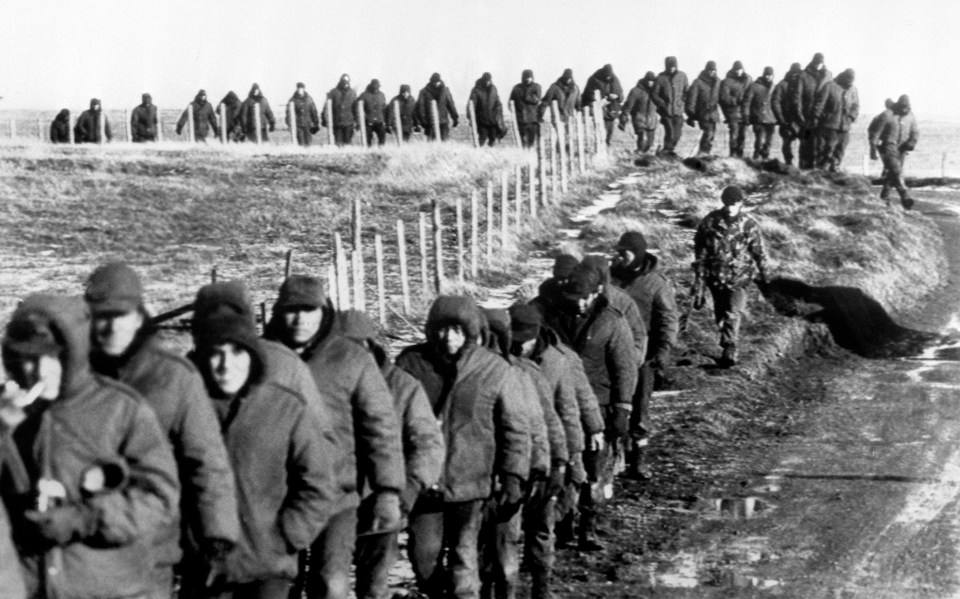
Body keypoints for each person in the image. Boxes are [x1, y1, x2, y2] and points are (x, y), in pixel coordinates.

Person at [0, 294, 179, 599]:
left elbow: (159, 496)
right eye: (27, 358)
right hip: (34, 586)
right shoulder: (9, 414)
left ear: (74, 353)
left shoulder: (121, 409)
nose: (38, 372)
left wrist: (81, 518)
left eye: (52, 357)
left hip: (111, 588)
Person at [82, 263, 240, 599]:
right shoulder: (74, 377)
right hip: (83, 549)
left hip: (152, 551)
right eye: (101, 316)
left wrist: (217, 536)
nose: (109, 327)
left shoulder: (174, 378)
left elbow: (207, 461)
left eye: (119, 316)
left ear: (139, 317)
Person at [264, 276, 404, 599]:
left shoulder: (351, 358)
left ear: (323, 310)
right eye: (291, 310)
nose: (300, 319)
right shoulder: (261, 356)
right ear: (277, 312)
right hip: (276, 496)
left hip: (336, 493)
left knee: (332, 584)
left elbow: (380, 426)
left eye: (308, 309)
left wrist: (388, 490)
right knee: (279, 584)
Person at [189, 304, 336, 599]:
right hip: (205, 567)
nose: (225, 365)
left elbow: (318, 483)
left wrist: (287, 535)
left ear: (253, 357)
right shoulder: (187, 408)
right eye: (215, 353)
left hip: (267, 566)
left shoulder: (286, 408)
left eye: (236, 353)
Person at [395, 296, 530, 599]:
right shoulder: (411, 364)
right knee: (423, 557)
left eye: (457, 330)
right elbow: (391, 420)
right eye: (442, 329)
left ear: (471, 332)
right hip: (424, 484)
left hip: (471, 482)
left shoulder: (493, 369)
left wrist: (513, 474)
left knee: (464, 557)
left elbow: (515, 426)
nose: (449, 337)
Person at [334, 310, 444, 599]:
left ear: (371, 346)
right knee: (329, 584)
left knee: (373, 586)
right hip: (331, 506)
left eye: (356, 348)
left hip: (380, 504)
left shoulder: (403, 388)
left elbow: (428, 443)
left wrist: (408, 488)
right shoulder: (322, 383)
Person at [539, 264, 637, 550]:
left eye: (584, 297)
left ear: (596, 293)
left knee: (593, 472)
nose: (578, 303)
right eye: (573, 296)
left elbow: (625, 369)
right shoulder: (551, 317)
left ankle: (588, 527)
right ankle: (563, 524)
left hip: (600, 407)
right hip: (559, 407)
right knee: (564, 467)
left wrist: (622, 409)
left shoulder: (613, 322)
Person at [477, 308, 559, 599]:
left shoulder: (523, 375)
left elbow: (543, 422)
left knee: (504, 544)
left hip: (509, 474)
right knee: (477, 550)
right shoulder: (462, 375)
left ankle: (527, 589)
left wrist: (553, 464)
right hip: (471, 477)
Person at [508, 304, 584, 599]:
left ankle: (542, 585)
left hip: (548, 452)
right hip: (516, 456)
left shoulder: (556, 362)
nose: (519, 345)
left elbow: (565, 410)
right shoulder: (502, 367)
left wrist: (569, 456)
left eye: (524, 340)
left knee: (542, 525)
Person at [609, 232, 679, 480]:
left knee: (639, 410)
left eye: (624, 252)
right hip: (612, 353)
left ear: (637, 254)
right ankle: (614, 457)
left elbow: (668, 319)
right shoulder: (611, 278)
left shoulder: (655, 283)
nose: (619, 256)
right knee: (614, 406)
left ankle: (638, 459)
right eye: (618, 251)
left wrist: (663, 350)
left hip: (643, 356)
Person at [693, 185, 768, 367]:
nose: (729, 207)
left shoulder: (748, 224)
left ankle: (730, 347)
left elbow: (758, 251)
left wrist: (765, 274)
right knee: (720, 313)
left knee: (733, 313)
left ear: (741, 203)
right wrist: (700, 283)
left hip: (739, 278)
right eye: (726, 203)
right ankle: (726, 339)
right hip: (715, 278)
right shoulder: (710, 222)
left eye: (733, 204)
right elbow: (700, 252)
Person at [869, 94, 919, 210]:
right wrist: (873, 148)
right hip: (887, 147)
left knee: (892, 175)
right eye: (903, 107)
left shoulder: (911, 116)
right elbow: (875, 133)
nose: (905, 110)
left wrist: (912, 142)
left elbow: (915, 132)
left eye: (907, 108)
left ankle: (884, 197)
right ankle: (905, 196)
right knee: (896, 171)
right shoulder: (887, 115)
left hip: (902, 149)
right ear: (898, 105)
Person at [790, 53, 832, 169]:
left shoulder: (828, 75)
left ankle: (818, 169)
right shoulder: (803, 75)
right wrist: (799, 115)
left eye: (821, 63)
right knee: (806, 143)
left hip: (822, 116)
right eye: (817, 63)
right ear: (813, 62)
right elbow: (797, 96)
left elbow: (831, 95)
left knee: (820, 143)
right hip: (806, 116)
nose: (818, 65)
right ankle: (804, 168)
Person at [813, 68, 859, 171]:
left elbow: (856, 105)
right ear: (843, 77)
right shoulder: (829, 86)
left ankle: (835, 168)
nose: (850, 82)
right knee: (828, 148)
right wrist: (816, 118)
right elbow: (819, 104)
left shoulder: (853, 89)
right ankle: (822, 169)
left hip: (845, 126)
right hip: (830, 125)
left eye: (852, 79)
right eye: (848, 79)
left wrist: (851, 116)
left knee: (841, 148)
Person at [653, 56, 689, 156]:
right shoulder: (660, 78)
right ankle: (666, 152)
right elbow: (654, 94)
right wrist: (662, 104)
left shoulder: (682, 76)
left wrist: (682, 101)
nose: (672, 68)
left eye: (673, 66)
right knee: (670, 133)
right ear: (666, 66)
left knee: (677, 135)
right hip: (666, 111)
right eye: (670, 66)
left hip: (678, 111)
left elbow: (687, 91)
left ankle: (668, 151)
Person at [684, 61, 721, 156]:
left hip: (713, 114)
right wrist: (691, 114)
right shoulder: (698, 82)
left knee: (711, 135)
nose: (712, 72)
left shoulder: (717, 83)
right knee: (708, 134)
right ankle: (702, 154)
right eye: (710, 70)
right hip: (702, 113)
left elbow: (721, 97)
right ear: (706, 70)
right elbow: (691, 99)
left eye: (714, 70)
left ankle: (705, 154)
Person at [582, 64, 623, 145]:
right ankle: (599, 147)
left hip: (611, 111)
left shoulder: (615, 80)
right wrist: (604, 99)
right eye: (607, 76)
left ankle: (606, 147)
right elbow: (588, 95)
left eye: (610, 76)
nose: (608, 78)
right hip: (599, 110)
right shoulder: (594, 79)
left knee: (609, 132)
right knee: (600, 130)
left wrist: (617, 97)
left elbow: (621, 95)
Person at [718, 61, 753, 158]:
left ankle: (740, 155)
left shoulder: (748, 80)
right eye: (736, 70)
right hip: (732, 112)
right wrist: (737, 100)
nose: (738, 72)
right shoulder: (726, 81)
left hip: (745, 113)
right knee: (734, 134)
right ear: (733, 70)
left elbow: (752, 94)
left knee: (742, 135)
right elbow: (723, 97)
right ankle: (733, 155)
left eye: (740, 69)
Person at [619, 72, 659, 154]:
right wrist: (623, 119)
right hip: (639, 120)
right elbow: (628, 106)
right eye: (648, 80)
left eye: (652, 81)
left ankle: (641, 156)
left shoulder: (656, 92)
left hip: (652, 122)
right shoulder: (636, 91)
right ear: (644, 80)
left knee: (649, 144)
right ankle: (639, 154)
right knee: (643, 140)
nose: (650, 82)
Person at [771, 63, 802, 165]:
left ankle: (803, 165)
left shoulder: (802, 85)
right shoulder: (782, 85)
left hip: (800, 120)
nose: (795, 76)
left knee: (804, 143)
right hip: (786, 119)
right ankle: (789, 163)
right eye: (794, 73)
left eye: (797, 73)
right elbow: (775, 102)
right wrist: (780, 118)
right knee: (787, 142)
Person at [744, 67, 777, 161]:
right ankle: (756, 158)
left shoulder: (773, 87)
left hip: (770, 119)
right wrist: (746, 115)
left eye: (770, 75)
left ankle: (765, 159)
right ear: (763, 75)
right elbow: (747, 102)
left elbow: (777, 102)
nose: (768, 77)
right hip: (758, 117)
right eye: (766, 75)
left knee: (768, 141)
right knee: (759, 140)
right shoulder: (754, 86)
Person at [416, 73, 459, 142]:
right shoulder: (424, 92)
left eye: (437, 82)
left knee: (444, 141)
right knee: (431, 143)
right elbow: (420, 108)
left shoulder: (445, 91)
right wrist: (423, 121)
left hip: (443, 121)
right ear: (431, 82)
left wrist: (455, 117)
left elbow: (450, 105)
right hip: (430, 122)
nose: (436, 83)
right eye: (434, 82)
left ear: (440, 81)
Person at [540, 68, 582, 136]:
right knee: (560, 136)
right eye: (566, 78)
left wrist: (579, 112)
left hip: (569, 117)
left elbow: (578, 103)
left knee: (568, 137)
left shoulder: (575, 89)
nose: (568, 80)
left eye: (569, 78)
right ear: (563, 77)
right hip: (557, 117)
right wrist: (540, 115)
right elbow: (546, 101)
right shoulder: (555, 87)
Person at [468, 72, 505, 147]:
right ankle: (477, 153)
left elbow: (497, 102)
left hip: (493, 120)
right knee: (482, 138)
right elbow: (471, 105)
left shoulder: (493, 89)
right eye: (486, 81)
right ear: (483, 80)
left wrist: (498, 115)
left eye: (489, 81)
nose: (487, 83)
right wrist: (470, 117)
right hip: (481, 120)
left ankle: (489, 153)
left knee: (493, 138)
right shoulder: (476, 90)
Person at [510, 69, 543, 149]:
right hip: (520, 119)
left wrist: (527, 97)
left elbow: (537, 100)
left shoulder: (536, 87)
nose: (527, 79)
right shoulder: (516, 88)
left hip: (532, 119)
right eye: (526, 77)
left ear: (532, 78)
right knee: (522, 140)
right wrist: (515, 110)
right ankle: (523, 155)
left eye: (529, 77)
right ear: (522, 78)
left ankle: (530, 153)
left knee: (531, 140)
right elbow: (511, 101)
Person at [323, 74, 358, 146]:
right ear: (340, 81)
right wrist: (325, 120)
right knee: (338, 143)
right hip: (337, 123)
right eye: (344, 81)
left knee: (347, 143)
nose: (345, 83)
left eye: (347, 81)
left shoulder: (352, 93)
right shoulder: (333, 92)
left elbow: (356, 109)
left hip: (349, 123)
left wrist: (357, 122)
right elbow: (326, 108)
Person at [285, 82, 320, 147]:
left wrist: (316, 123)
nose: (300, 90)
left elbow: (313, 111)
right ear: (297, 89)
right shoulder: (292, 100)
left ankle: (308, 154)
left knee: (308, 142)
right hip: (298, 125)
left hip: (307, 124)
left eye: (301, 88)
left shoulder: (309, 99)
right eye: (299, 88)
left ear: (304, 89)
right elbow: (288, 113)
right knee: (301, 142)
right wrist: (289, 124)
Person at [358, 79, 388, 147]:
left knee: (382, 137)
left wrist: (384, 120)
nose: (375, 89)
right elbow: (359, 107)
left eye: (377, 87)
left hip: (379, 121)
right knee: (367, 139)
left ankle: (381, 151)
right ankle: (368, 151)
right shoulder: (364, 95)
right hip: (368, 121)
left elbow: (384, 108)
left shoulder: (381, 95)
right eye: (374, 87)